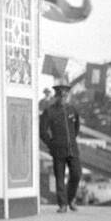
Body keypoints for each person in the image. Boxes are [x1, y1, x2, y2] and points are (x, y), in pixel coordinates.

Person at [39, 83, 82, 212]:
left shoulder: (72, 110)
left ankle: (70, 199)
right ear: (56, 96)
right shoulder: (49, 111)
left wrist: (72, 140)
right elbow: (43, 131)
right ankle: (63, 204)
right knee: (59, 177)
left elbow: (76, 127)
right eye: (60, 96)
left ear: (67, 96)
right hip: (57, 150)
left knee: (76, 174)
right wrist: (51, 144)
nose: (63, 98)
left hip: (72, 149)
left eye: (65, 96)